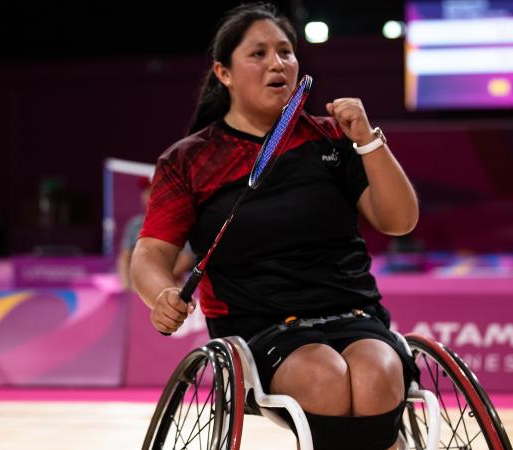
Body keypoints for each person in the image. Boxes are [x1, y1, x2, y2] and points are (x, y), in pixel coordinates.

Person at [130, 4, 419, 449]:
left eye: (285, 52)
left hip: (354, 314)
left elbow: (400, 220)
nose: (276, 63)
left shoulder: (331, 138)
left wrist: (367, 139)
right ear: (223, 73)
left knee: (378, 372)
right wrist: (161, 293)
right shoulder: (188, 160)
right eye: (258, 53)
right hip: (260, 326)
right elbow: (150, 253)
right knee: (325, 375)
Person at [117, 176, 194, 291]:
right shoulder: (134, 225)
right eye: (146, 192)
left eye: (153, 191)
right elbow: (124, 258)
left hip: (171, 287)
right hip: (138, 289)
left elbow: (186, 259)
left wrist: (155, 281)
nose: (149, 196)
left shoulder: (179, 223)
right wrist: (126, 287)